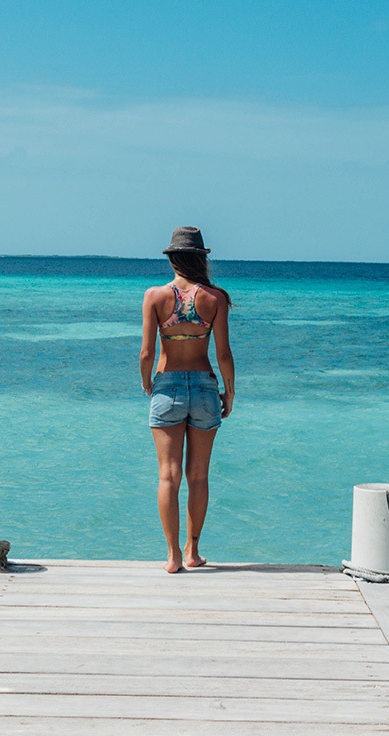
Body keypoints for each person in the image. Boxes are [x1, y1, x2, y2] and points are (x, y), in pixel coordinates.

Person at [140, 226, 235, 573]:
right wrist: (230, 390)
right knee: (198, 476)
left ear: (173, 258)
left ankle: (173, 556)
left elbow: (147, 352)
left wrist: (147, 383)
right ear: (200, 258)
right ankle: (193, 551)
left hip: (167, 386)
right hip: (205, 387)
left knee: (168, 476)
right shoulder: (215, 299)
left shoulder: (154, 296)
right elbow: (223, 353)